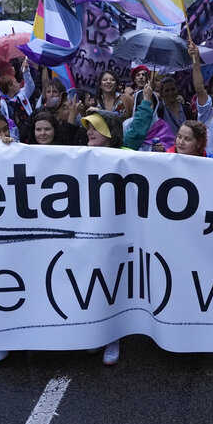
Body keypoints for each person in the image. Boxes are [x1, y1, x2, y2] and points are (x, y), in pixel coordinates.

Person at [79, 108, 127, 365]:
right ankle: (95, 332)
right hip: (89, 230)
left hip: (118, 231)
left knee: (114, 282)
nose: (89, 132)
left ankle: (113, 336)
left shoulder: (129, 157)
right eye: (88, 128)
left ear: (110, 133)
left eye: (95, 128)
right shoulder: (78, 155)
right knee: (92, 281)